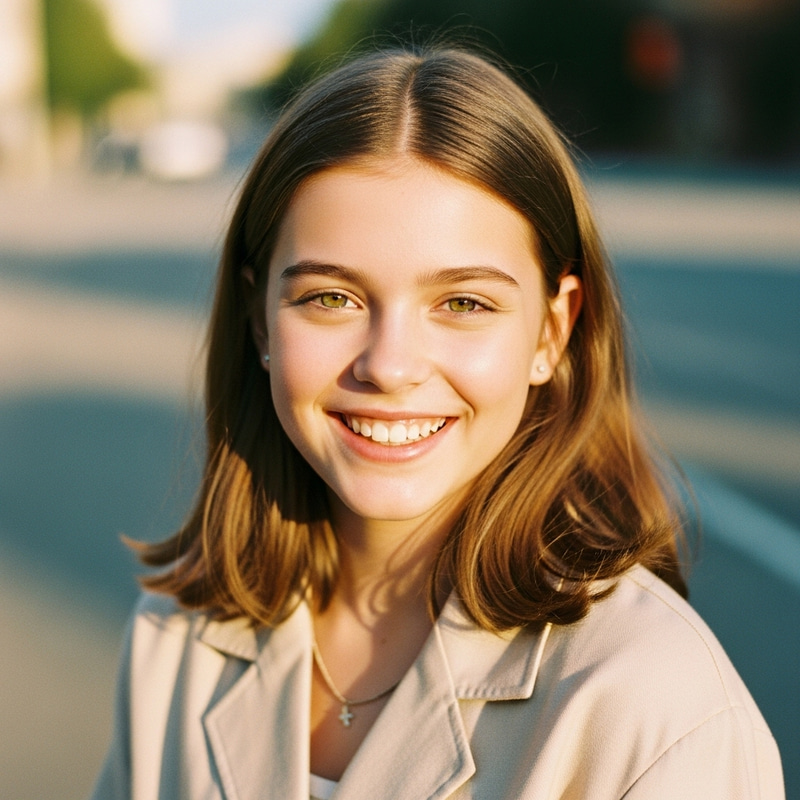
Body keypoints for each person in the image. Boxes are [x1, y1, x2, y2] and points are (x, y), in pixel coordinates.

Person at [92, 45, 784, 800]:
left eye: (464, 304)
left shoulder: (657, 710)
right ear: (260, 322)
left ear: (552, 333)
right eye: (331, 298)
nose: (389, 367)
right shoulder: (175, 638)